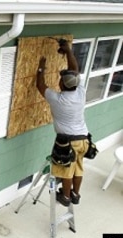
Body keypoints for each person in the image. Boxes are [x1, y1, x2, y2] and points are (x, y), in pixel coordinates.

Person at [36, 40, 89, 207]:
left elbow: (40, 85)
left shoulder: (58, 99)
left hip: (69, 143)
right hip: (84, 140)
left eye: (60, 80)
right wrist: (68, 51)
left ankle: (65, 197)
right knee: (78, 168)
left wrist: (41, 68)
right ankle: (75, 194)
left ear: (62, 84)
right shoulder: (80, 92)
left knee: (67, 170)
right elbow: (75, 71)